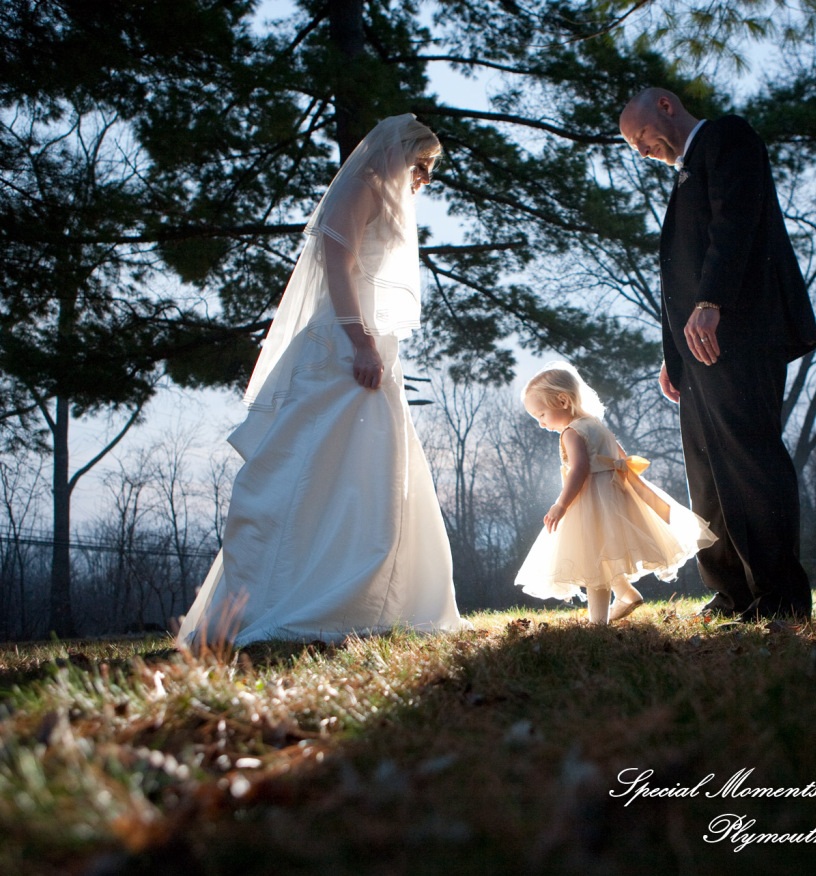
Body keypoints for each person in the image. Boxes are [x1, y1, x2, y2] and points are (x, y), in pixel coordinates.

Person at [177, 114, 466, 649]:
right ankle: (299, 596)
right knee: (313, 467)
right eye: (421, 164)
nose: (424, 177)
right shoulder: (359, 188)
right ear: (395, 153)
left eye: (429, 168)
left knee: (371, 468)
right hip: (343, 345)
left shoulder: (384, 194)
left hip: (371, 344)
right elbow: (338, 265)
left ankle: (374, 595)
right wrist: (359, 341)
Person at [618, 87, 816, 622]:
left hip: (741, 331)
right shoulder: (684, 176)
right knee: (707, 472)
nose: (639, 150)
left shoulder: (728, 137)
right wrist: (674, 356)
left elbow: (736, 224)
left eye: (638, 136)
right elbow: (678, 273)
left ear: (665, 106)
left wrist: (712, 302)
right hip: (699, 349)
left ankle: (781, 596)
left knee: (750, 462)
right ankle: (735, 593)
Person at [514, 363, 716, 624]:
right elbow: (621, 455)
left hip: (591, 502)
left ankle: (598, 623)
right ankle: (627, 595)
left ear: (563, 401)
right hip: (613, 498)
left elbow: (579, 470)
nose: (540, 423)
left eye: (541, 414)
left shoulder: (571, 433)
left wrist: (560, 505)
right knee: (604, 554)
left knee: (595, 562)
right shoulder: (595, 424)